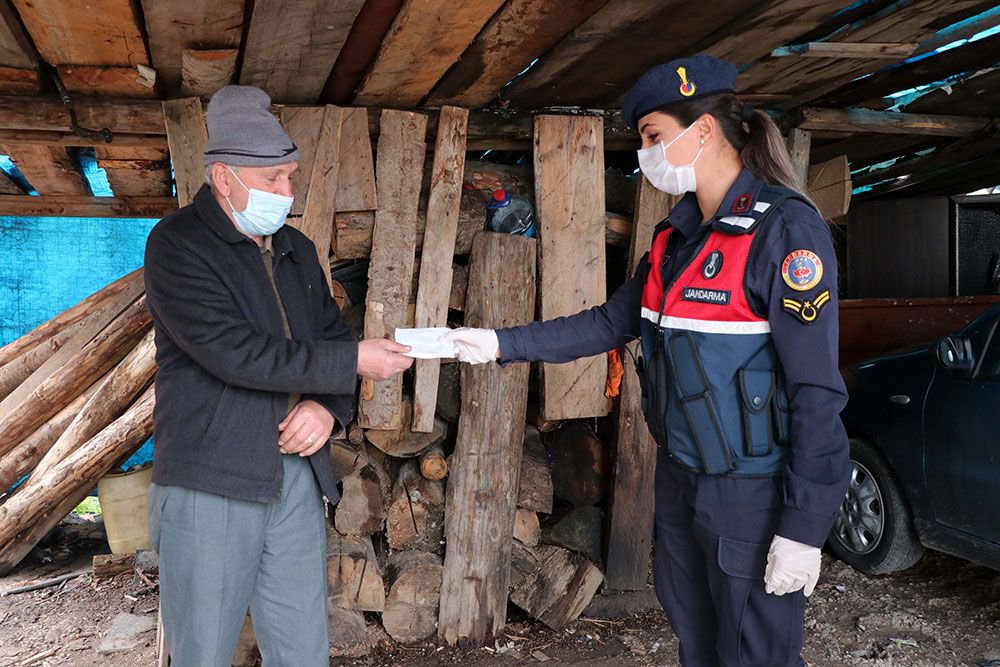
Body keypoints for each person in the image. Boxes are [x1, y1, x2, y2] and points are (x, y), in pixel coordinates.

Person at [445, 55, 850, 667]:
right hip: (682, 479)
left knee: (757, 653)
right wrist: (500, 344)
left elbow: (818, 390)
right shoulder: (675, 239)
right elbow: (610, 323)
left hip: (752, 490)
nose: (647, 156)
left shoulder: (783, 231)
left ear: (705, 130)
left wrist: (803, 525)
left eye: (654, 136)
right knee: (698, 641)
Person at [143, 85, 412, 666]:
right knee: (203, 651)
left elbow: (331, 339)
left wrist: (324, 406)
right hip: (210, 481)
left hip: (292, 474)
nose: (288, 193)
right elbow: (232, 352)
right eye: (273, 181)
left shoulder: (296, 248)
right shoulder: (177, 245)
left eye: (290, 176)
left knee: (302, 648)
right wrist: (353, 364)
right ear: (224, 179)